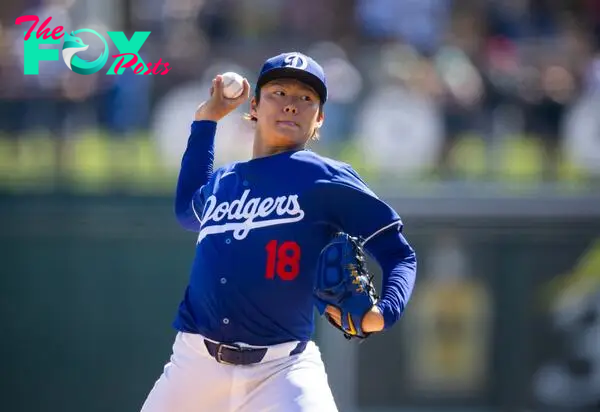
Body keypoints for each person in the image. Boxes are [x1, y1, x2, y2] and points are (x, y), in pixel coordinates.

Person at [140, 52, 417, 412]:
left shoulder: (326, 178)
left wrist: (386, 310)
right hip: (194, 365)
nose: (291, 105)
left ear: (319, 120)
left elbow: (399, 253)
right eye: (279, 93)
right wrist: (207, 119)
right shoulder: (225, 181)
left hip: (283, 370)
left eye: (306, 99)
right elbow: (186, 211)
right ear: (254, 106)